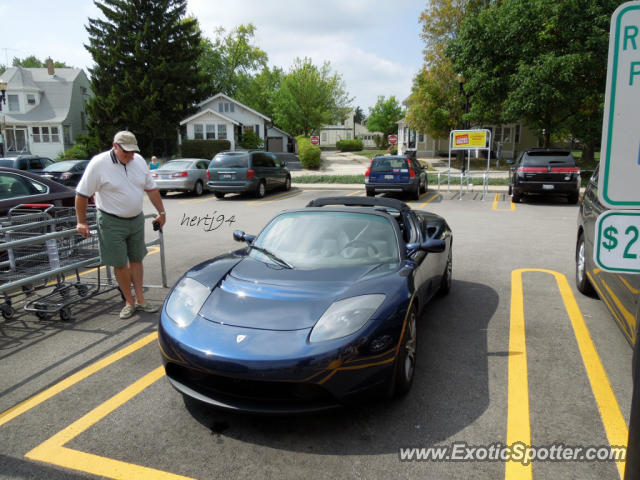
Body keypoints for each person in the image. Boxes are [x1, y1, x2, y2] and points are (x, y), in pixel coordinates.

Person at [75, 131, 166, 319]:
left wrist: (162, 212)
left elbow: (151, 188)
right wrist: (81, 221)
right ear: (115, 146)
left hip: (136, 219)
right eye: (126, 152)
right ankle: (129, 302)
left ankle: (140, 299)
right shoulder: (99, 164)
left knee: (136, 259)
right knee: (119, 263)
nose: (131, 156)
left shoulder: (138, 161)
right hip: (111, 220)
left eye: (133, 152)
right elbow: (82, 194)